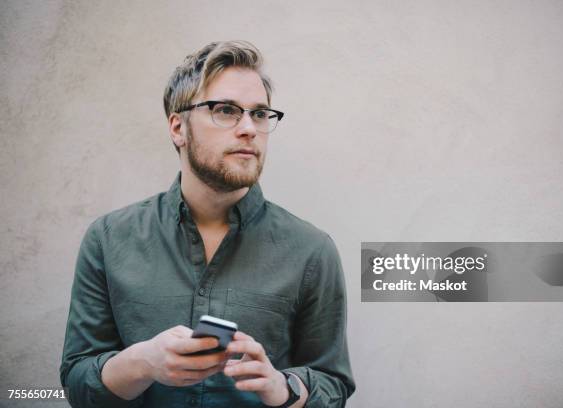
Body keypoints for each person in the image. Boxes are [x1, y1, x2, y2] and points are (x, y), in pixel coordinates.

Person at [59, 40, 355, 407]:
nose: (249, 128)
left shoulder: (312, 250)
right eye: (226, 110)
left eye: (260, 114)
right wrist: (141, 363)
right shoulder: (108, 239)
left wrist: (283, 388)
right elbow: (76, 384)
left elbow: (334, 385)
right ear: (178, 127)